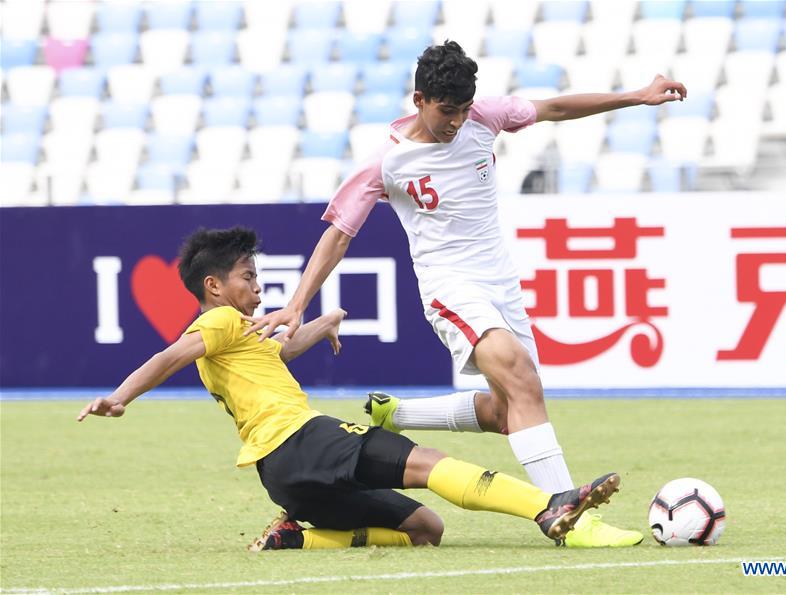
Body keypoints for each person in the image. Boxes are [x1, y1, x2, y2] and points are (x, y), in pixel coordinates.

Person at [244, 41, 685, 547]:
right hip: (448, 287)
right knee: (517, 373)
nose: (455, 121)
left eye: (462, 110)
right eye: (445, 111)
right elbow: (339, 233)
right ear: (419, 100)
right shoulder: (387, 163)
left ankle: (397, 413)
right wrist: (298, 304)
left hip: (502, 285)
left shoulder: (484, 117)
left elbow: (556, 108)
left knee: (510, 407)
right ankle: (570, 517)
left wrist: (638, 96)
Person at [77, 226, 629, 551]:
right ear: (214, 285)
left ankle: (297, 539)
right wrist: (122, 395)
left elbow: (282, 351)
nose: (257, 282)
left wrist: (325, 322)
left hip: (282, 475)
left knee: (425, 530)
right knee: (426, 462)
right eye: (247, 275)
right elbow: (171, 354)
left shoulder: (242, 335)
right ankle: (548, 506)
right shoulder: (217, 321)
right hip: (300, 438)